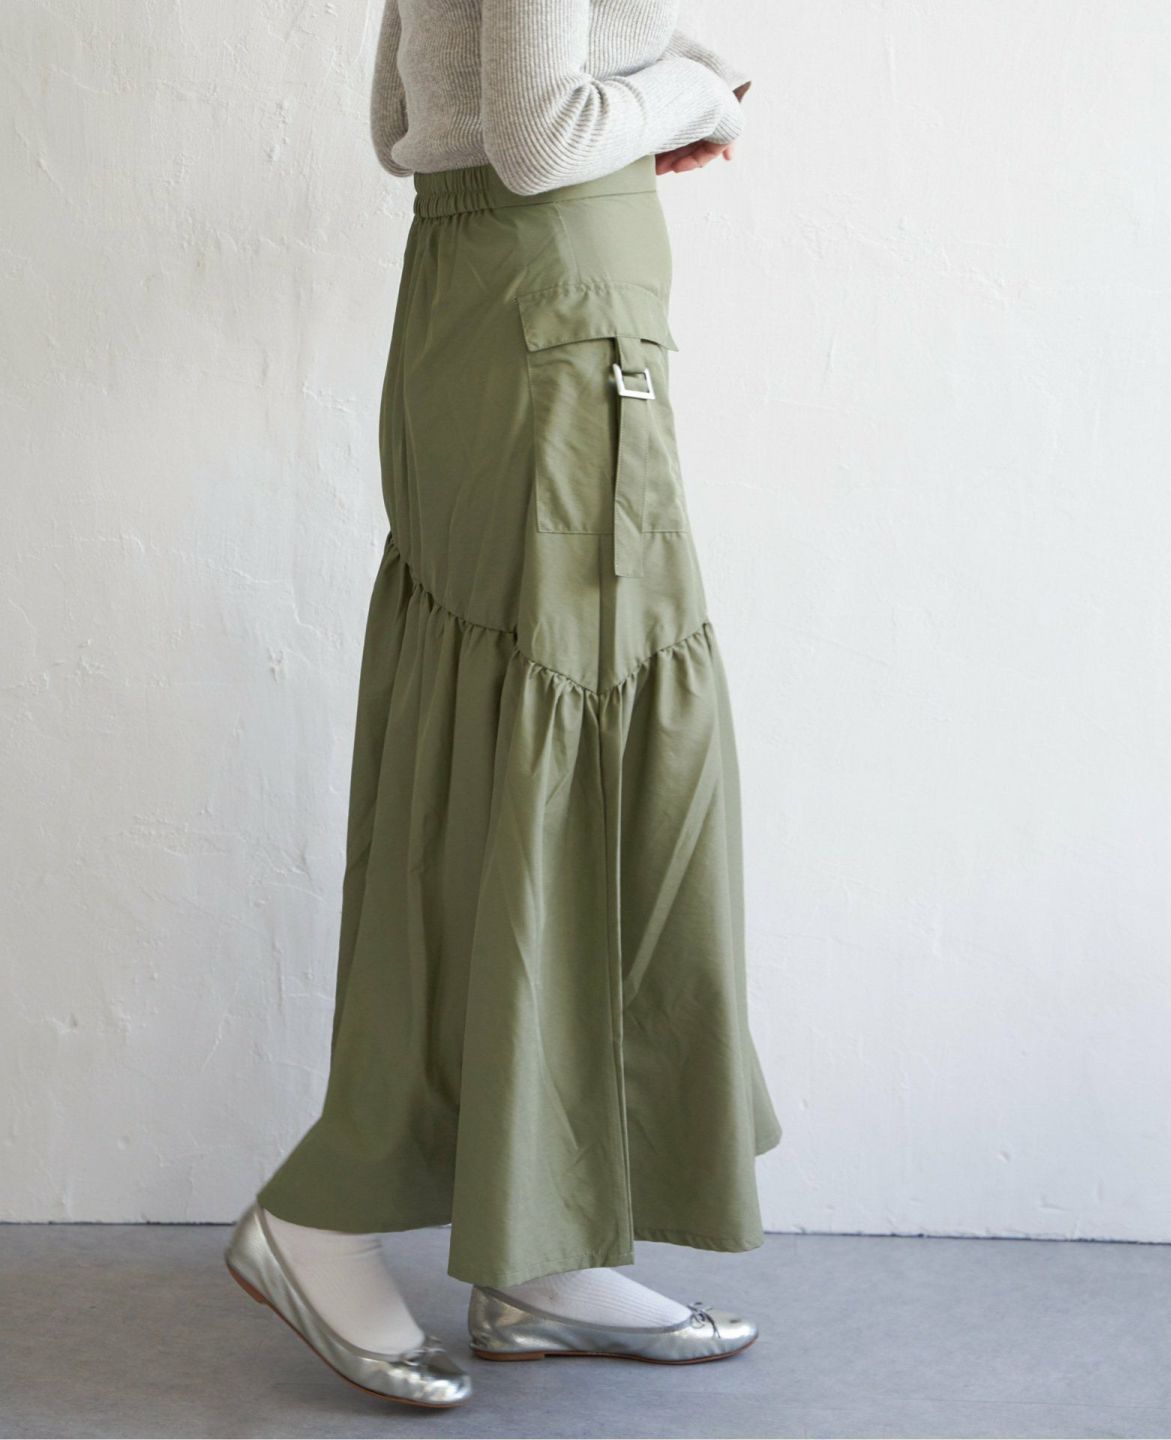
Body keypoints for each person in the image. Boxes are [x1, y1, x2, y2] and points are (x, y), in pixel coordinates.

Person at [225, 0, 781, 1408]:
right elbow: (538, 137)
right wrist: (695, 92)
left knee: (512, 764)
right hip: (556, 324)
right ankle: (323, 1215)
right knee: (555, 764)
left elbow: (404, 120)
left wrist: (632, 104)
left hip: (505, 309)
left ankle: (540, 1243)